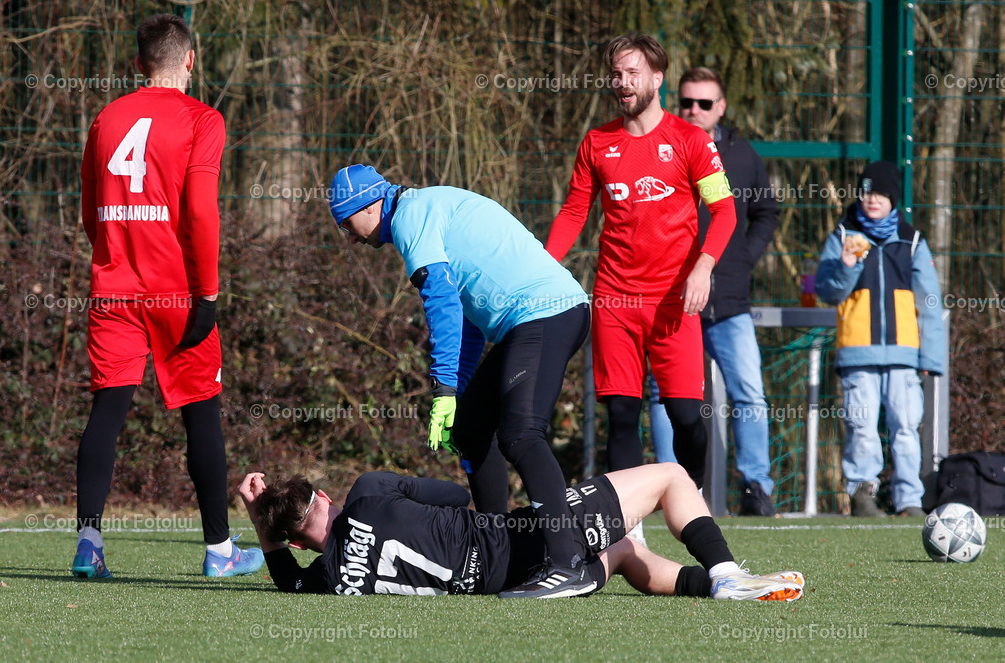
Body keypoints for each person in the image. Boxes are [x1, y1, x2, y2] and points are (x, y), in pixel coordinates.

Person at [329, 165, 594, 598]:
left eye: (346, 222)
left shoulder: (410, 219)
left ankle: (568, 564)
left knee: (522, 434)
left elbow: (443, 304)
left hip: (545, 313)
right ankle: (499, 551)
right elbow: (469, 322)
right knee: (472, 429)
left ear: (370, 204)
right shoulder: (420, 210)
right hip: (530, 321)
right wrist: (459, 394)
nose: (349, 237)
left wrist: (444, 390)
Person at [74, 13, 263, 579]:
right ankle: (219, 552)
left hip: (113, 287)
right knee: (201, 414)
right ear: (191, 61)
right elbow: (203, 211)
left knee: (106, 412)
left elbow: (89, 210)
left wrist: (116, 253)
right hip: (176, 291)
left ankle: (88, 543)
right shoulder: (202, 119)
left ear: (138, 65)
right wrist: (207, 292)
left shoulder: (106, 117)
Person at [546, 35, 736, 509]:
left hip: (675, 301)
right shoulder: (596, 142)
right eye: (616, 74)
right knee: (624, 414)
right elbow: (574, 212)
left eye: (632, 73)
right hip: (614, 299)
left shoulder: (691, 140)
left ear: (657, 78)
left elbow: (726, 212)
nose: (622, 83)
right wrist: (544, 266)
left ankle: (691, 498)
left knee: (685, 416)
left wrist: (703, 268)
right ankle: (627, 519)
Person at [238, 462, 804, 601]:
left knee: (629, 547)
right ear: (326, 497)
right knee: (670, 478)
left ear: (292, 542)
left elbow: (287, 584)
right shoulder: (366, 491)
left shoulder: (332, 580)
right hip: (524, 539)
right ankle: (728, 575)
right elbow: (457, 495)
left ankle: (713, 589)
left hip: (501, 583)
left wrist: (262, 528)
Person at [645, 67, 780, 517]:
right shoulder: (661, 147)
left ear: (721, 107)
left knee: (749, 394)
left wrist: (741, 255)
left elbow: (765, 211)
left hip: (730, 303)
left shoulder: (742, 155)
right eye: (686, 102)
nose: (694, 111)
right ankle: (673, 488)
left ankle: (756, 489)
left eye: (705, 103)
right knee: (665, 394)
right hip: (670, 301)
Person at [816, 161, 947, 517]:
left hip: (905, 356)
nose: (872, 200)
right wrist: (846, 265)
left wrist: (931, 359)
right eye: (866, 191)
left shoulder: (912, 241)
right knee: (862, 427)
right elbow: (828, 292)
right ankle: (863, 495)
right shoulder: (842, 237)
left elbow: (930, 305)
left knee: (906, 428)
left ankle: (909, 501)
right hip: (857, 354)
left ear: (893, 199)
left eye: (880, 193)